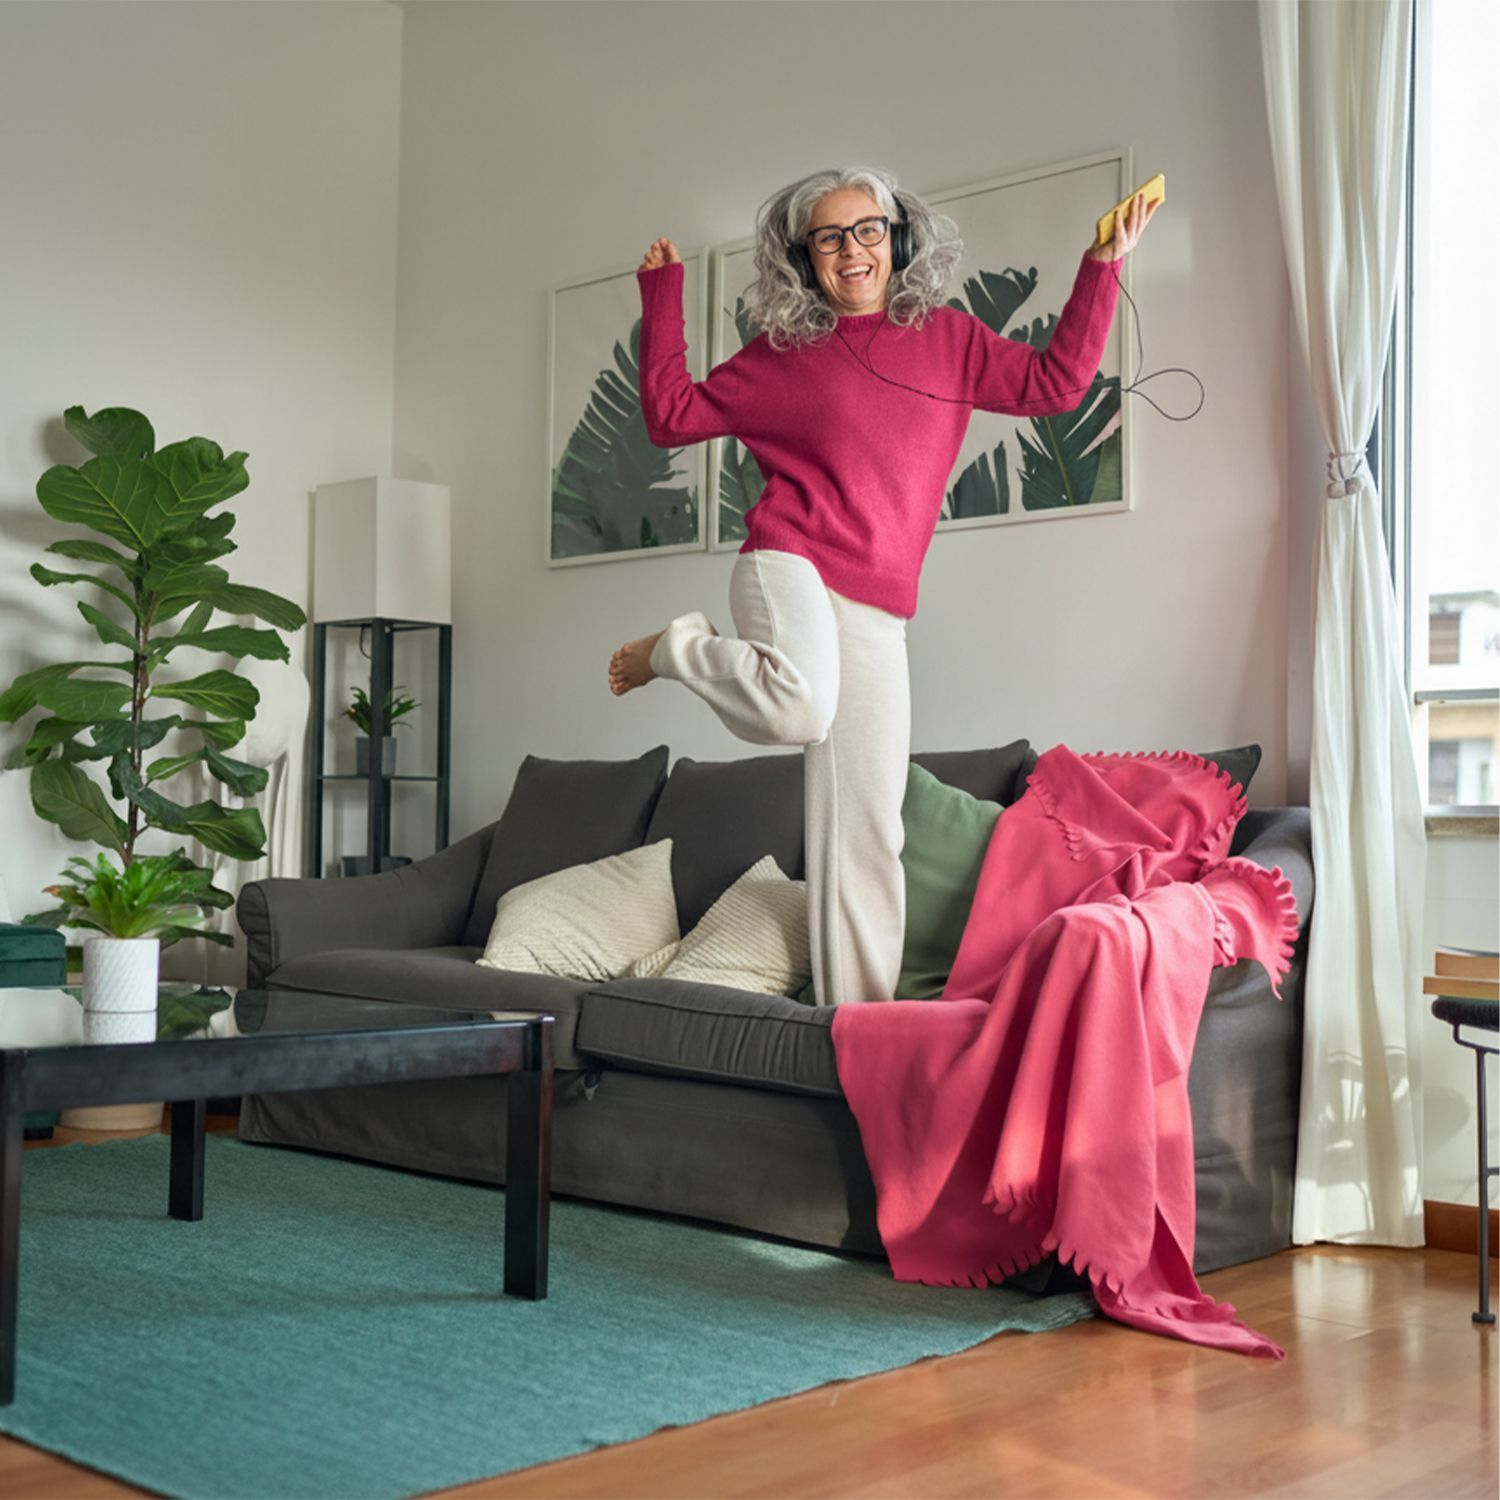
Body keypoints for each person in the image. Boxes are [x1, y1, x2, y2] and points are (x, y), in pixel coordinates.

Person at [608, 165, 1157, 1005]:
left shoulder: (953, 340)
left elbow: (1057, 384)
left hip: (878, 608)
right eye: (829, 237)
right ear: (805, 258)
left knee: (866, 830)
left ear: (898, 240)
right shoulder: (781, 358)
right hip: (788, 563)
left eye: (868, 230)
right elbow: (672, 415)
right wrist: (663, 294)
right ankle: (679, 649)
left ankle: (855, 1029)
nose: (851, 250)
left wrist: (1102, 266)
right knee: (797, 707)